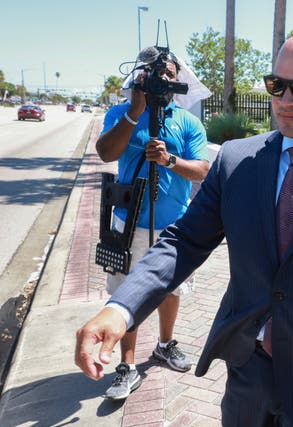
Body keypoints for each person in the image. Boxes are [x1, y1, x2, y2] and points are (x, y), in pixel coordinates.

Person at [76, 30, 293, 427]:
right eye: (277, 86)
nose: (285, 101)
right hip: (246, 364)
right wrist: (121, 308)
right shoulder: (236, 160)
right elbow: (184, 240)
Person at [93, 48, 210, 400]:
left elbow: (203, 170)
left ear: (178, 80)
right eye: (154, 73)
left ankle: (164, 344)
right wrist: (134, 112)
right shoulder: (120, 113)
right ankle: (127, 365)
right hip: (128, 224)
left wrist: (169, 160)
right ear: (139, 77)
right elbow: (105, 153)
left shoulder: (187, 121)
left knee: (170, 289)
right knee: (126, 292)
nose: (163, 79)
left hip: (174, 226)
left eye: (170, 74)